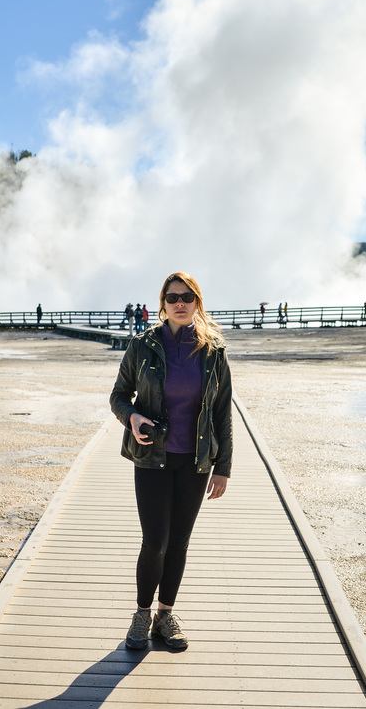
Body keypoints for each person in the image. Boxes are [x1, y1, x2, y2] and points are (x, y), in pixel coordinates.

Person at [110, 271, 233, 652]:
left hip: (194, 461)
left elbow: (222, 414)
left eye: (188, 297)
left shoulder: (213, 351)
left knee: (179, 541)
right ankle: (142, 613)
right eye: (173, 297)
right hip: (151, 458)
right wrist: (131, 417)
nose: (180, 303)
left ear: (198, 302)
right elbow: (118, 396)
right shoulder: (141, 346)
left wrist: (223, 467)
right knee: (155, 540)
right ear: (162, 303)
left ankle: (166, 614)